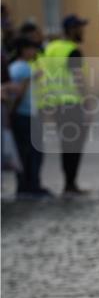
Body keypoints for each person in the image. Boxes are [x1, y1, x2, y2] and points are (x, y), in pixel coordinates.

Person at [34, 14, 89, 196]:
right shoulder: (71, 50)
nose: (83, 31)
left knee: (66, 144)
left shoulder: (50, 48)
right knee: (74, 145)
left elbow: (41, 72)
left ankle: (69, 183)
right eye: (80, 27)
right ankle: (70, 184)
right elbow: (78, 77)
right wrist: (88, 102)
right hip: (71, 103)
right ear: (72, 30)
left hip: (55, 103)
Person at [8, 35, 51, 198]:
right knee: (33, 152)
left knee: (22, 152)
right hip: (25, 115)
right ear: (24, 50)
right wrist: (14, 112)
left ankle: (24, 185)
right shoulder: (24, 68)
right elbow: (20, 93)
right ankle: (31, 185)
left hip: (21, 114)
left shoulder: (14, 66)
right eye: (32, 48)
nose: (34, 52)